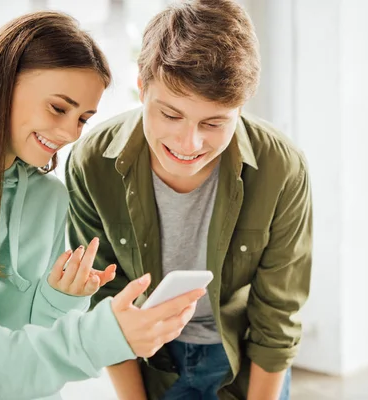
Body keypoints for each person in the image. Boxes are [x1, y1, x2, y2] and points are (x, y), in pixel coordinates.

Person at [0, 11, 203, 400]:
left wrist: (57, 299)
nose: (68, 133)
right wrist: (100, 339)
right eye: (59, 108)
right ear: (2, 82)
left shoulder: (49, 197)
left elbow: (33, 352)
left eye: (83, 119)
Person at [65, 0, 313, 399]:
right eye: (170, 114)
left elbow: (278, 315)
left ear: (241, 107)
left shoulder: (281, 167)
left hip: (246, 363)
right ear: (142, 88)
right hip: (148, 362)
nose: (188, 143)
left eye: (214, 123)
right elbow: (105, 301)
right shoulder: (93, 161)